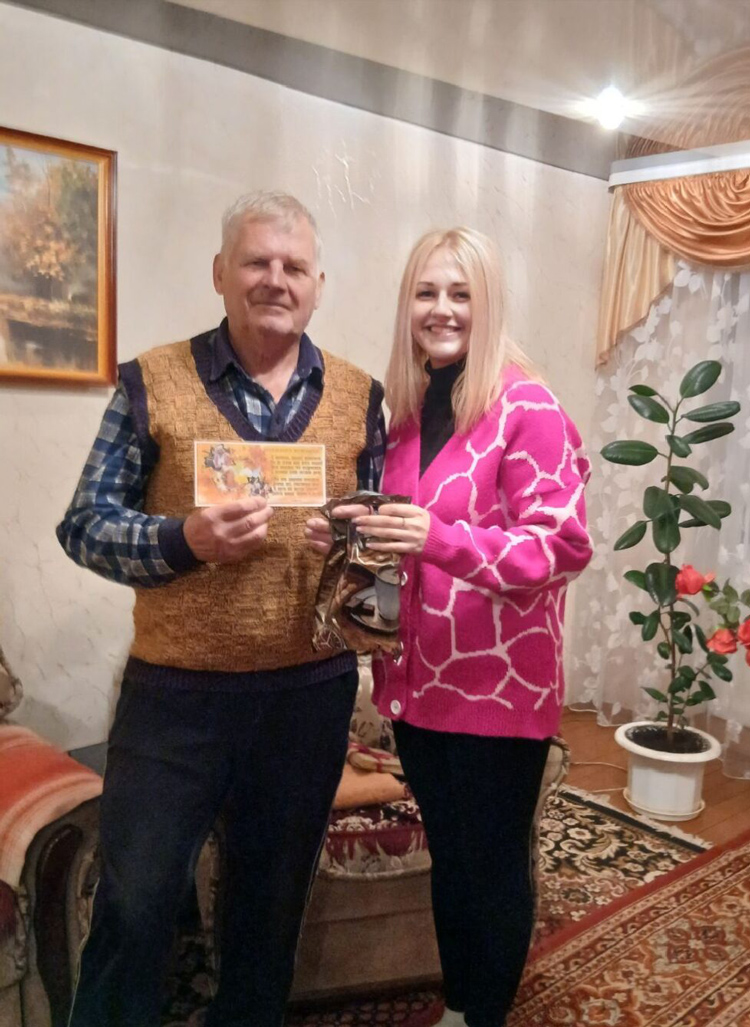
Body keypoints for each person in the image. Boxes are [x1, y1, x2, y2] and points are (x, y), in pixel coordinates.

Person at [56, 191, 385, 1027]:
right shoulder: (152, 381)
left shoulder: (360, 396)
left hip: (307, 698)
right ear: (219, 273)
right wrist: (183, 539)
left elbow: (379, 560)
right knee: (134, 906)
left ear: (318, 285)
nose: (275, 279)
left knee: (269, 914)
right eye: (256, 261)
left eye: (294, 266)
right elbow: (83, 524)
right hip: (177, 697)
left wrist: (352, 548)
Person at [352, 227, 592, 1027]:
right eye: (426, 292)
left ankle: (481, 1012)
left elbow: (559, 546)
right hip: (416, 684)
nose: (443, 309)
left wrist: (438, 537)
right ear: (407, 305)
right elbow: (399, 541)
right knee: (451, 860)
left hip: (499, 687)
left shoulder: (529, 407)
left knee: (489, 867)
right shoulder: (404, 415)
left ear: (488, 304)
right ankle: (461, 1006)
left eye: (461, 293)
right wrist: (347, 538)